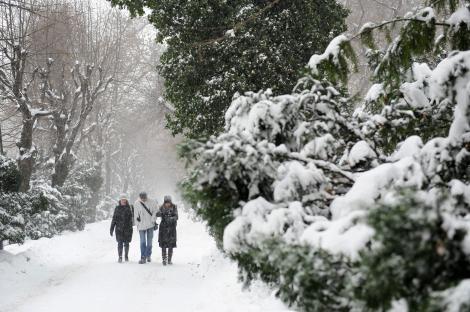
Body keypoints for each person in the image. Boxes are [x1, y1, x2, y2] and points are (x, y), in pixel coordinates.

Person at [134, 192, 158, 264]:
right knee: (142, 242)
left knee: (149, 242)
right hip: (141, 225)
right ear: (140, 197)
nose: (143, 199)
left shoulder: (152, 202)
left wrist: (153, 220)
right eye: (142, 198)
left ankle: (148, 255)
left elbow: (155, 211)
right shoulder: (137, 203)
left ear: (147, 197)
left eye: (144, 198)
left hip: (150, 225)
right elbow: (135, 215)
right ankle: (143, 257)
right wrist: (137, 223)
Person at [110, 194, 133, 263]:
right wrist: (111, 228)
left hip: (127, 229)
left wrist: (131, 227)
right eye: (122, 199)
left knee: (126, 243)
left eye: (124, 199)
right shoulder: (117, 208)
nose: (123, 201)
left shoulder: (129, 208)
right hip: (119, 229)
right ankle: (120, 257)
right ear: (120, 200)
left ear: (126, 200)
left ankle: (126, 256)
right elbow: (114, 219)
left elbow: (132, 219)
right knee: (120, 243)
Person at [157, 195, 178, 265]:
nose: (167, 204)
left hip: (171, 228)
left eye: (168, 202)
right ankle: (164, 259)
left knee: (171, 244)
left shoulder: (174, 207)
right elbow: (157, 214)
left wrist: (171, 219)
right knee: (163, 244)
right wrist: (161, 214)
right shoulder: (161, 207)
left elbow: (176, 216)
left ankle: (169, 259)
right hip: (163, 227)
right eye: (166, 202)